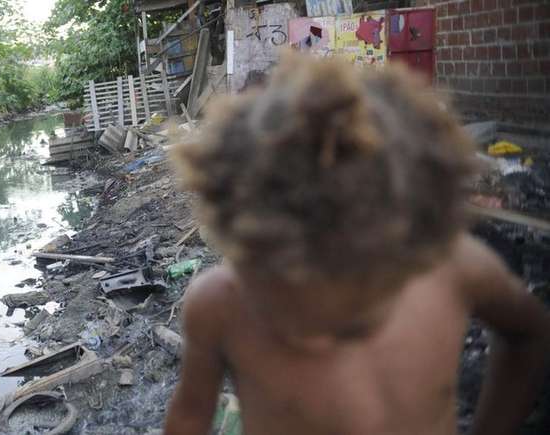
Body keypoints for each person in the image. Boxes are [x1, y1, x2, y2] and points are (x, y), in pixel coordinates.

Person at [163, 52, 550, 435]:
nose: (318, 339)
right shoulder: (218, 304)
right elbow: (188, 418)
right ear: (244, 249)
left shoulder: (454, 267)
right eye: (291, 299)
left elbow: (527, 334)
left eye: (359, 311)